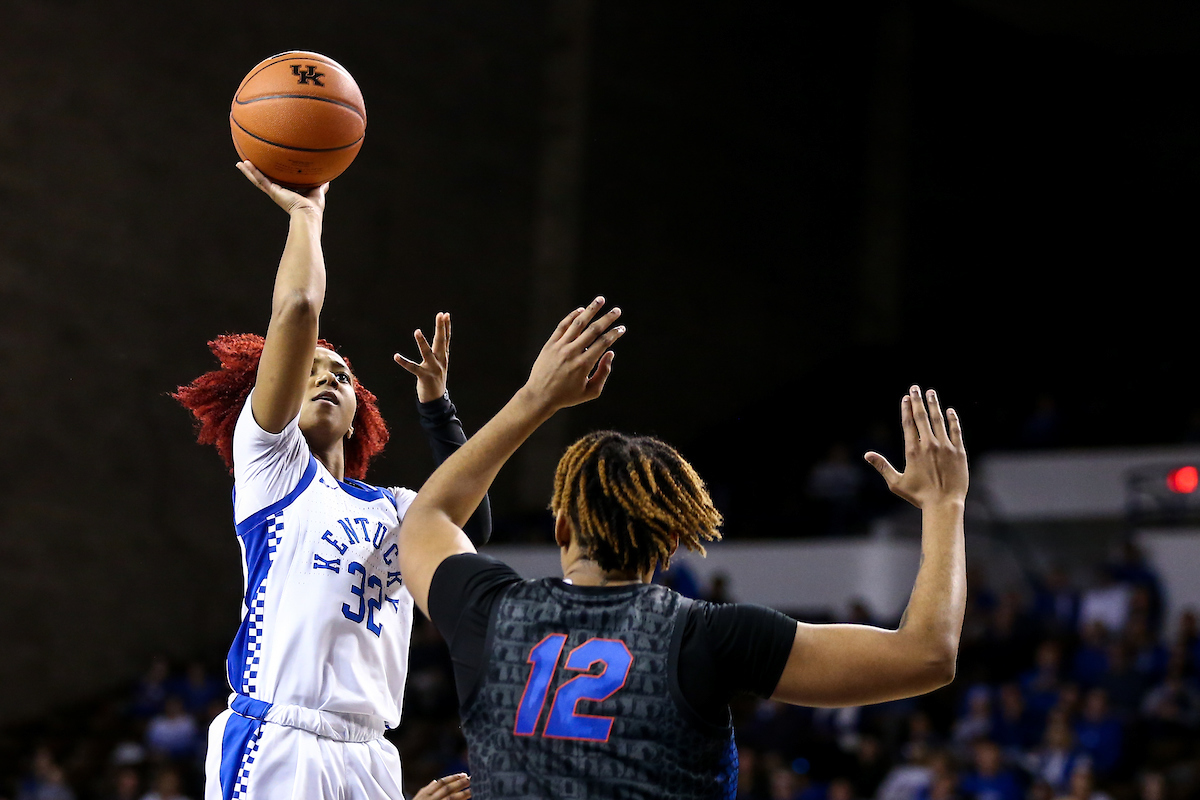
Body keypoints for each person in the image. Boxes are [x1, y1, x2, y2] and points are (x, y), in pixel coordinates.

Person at [396, 298, 970, 798]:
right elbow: (927, 655)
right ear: (671, 544)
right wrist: (944, 508)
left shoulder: (489, 612)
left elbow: (428, 516)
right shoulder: (710, 637)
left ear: (562, 527)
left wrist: (536, 398)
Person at [173, 162, 486, 800]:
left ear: (360, 414)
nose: (327, 375)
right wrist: (307, 216)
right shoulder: (270, 465)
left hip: (372, 754)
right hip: (280, 739)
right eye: (311, 367)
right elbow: (298, 307)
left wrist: (436, 406)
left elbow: (468, 530)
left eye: (340, 372)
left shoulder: (396, 508)